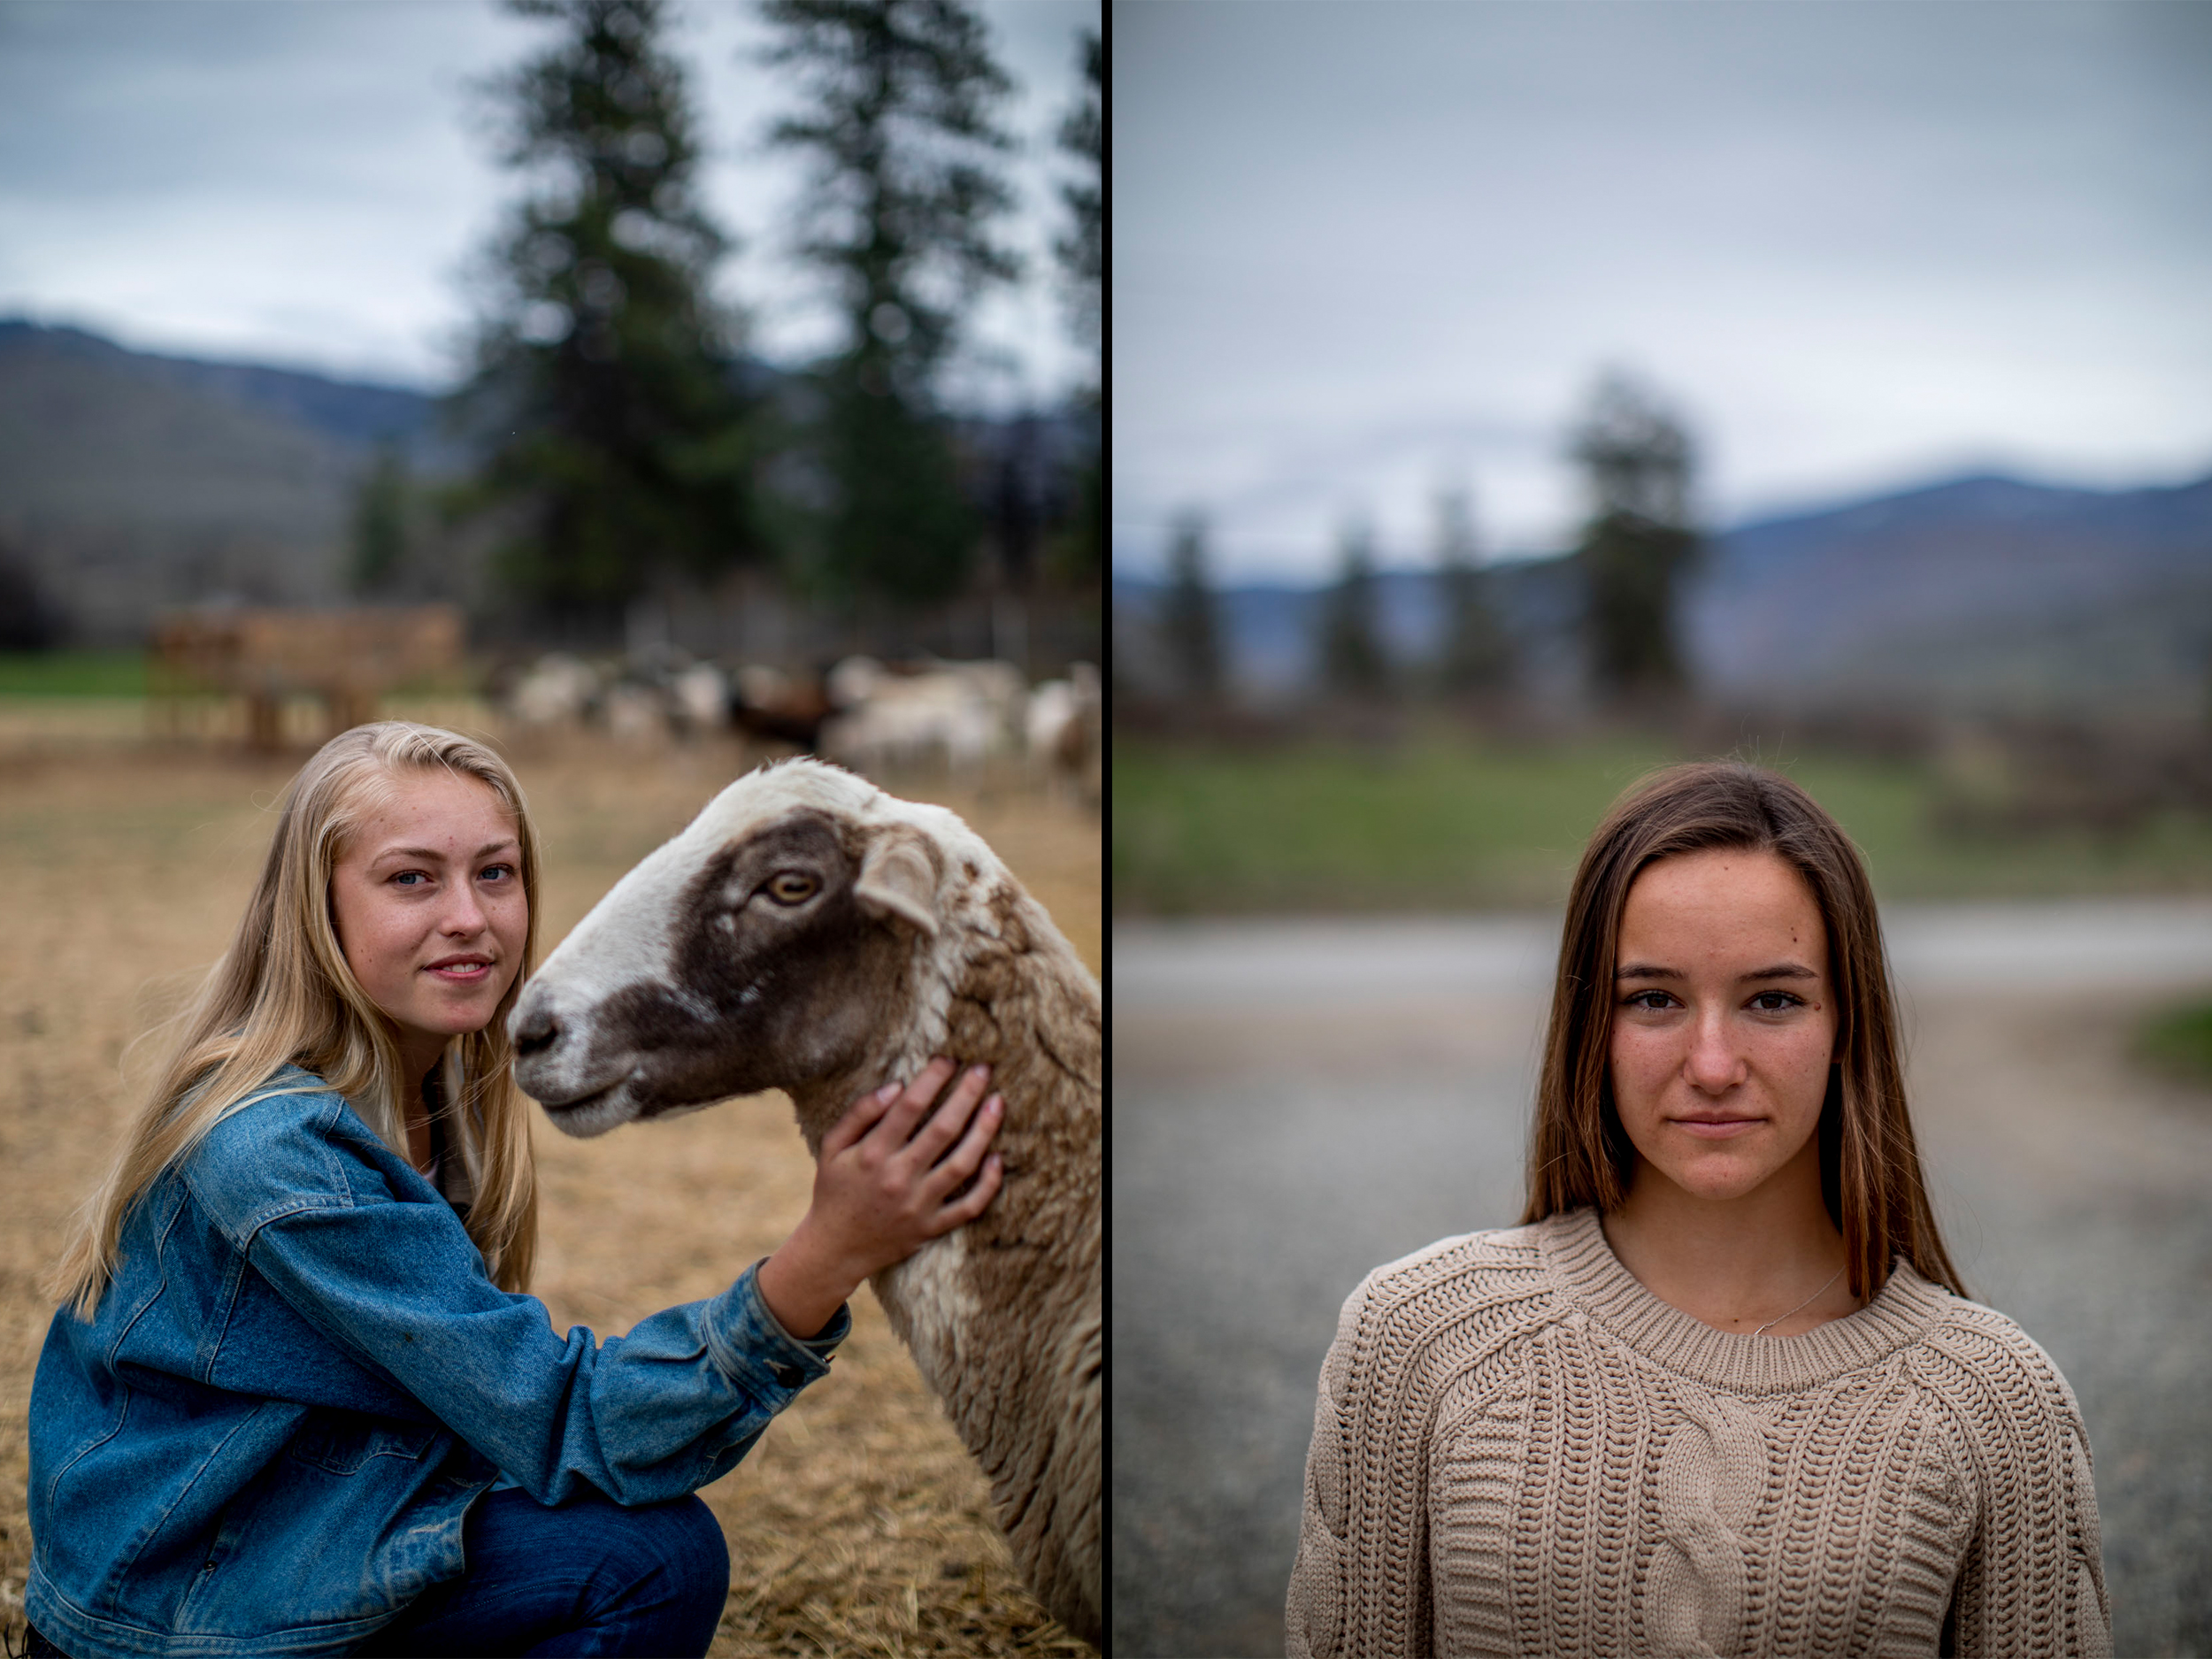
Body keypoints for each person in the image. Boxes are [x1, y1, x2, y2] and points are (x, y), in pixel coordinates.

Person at [23, 722, 1004, 1659]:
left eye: (495, 873)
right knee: (650, 1564)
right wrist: (825, 1255)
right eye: (412, 879)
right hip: (181, 1613)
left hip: (297, 1528)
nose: (470, 917)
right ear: (314, 909)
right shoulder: (279, 1154)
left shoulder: (425, 1091)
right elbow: (561, 1421)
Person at [1286, 760, 2110, 1658]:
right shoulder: (1417, 1338)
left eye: (1771, 999)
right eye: (1653, 999)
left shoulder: (1995, 1405)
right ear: (1587, 1028)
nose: (1712, 1064)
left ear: (1845, 1025)